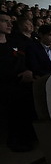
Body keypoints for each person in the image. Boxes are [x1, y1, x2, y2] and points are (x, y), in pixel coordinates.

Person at [0, 11, 36, 152]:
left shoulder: (14, 43)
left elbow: (22, 62)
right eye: (4, 21)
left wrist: (29, 72)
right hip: (6, 85)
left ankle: (27, 136)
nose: (10, 24)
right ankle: (14, 140)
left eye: (10, 21)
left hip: (22, 83)